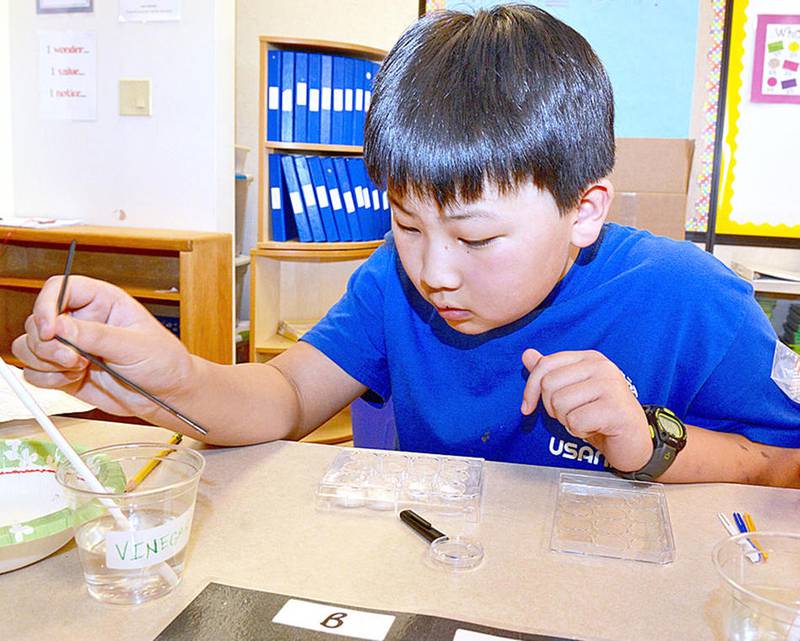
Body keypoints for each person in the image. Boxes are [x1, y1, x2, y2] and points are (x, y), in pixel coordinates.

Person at [13, 4, 800, 486]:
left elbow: (783, 468)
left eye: (476, 235)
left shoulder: (695, 299)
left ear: (585, 210)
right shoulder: (392, 278)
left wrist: (647, 441)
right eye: (407, 222)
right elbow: (285, 396)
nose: (433, 272)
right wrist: (175, 372)